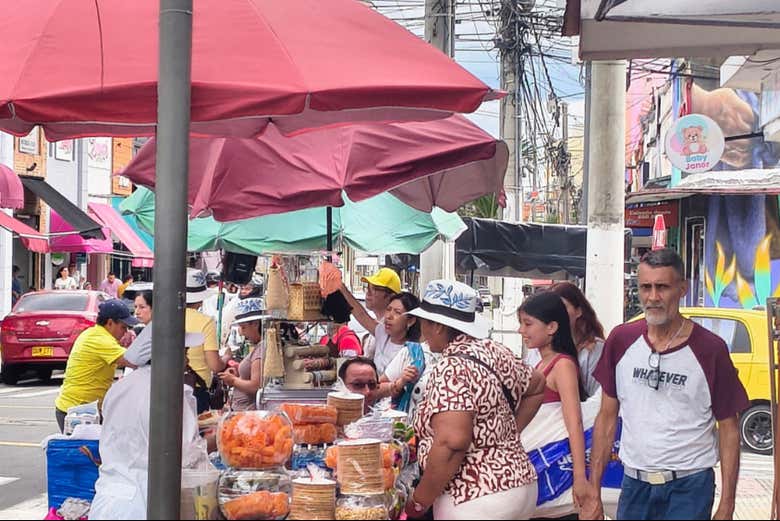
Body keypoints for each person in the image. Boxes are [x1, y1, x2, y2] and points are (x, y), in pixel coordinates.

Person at [582, 249, 750, 521]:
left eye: (662, 287)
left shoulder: (710, 349)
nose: (653, 297)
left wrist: (727, 505)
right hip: (635, 485)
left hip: (690, 487)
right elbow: (606, 417)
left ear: (682, 289)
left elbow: (729, 429)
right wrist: (593, 492)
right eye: (645, 287)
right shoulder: (621, 340)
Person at [404, 280, 546, 520]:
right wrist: (507, 434)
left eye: (423, 324)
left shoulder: (451, 368)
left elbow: (452, 442)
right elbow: (538, 384)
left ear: (437, 327)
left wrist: (419, 501)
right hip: (519, 484)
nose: (422, 333)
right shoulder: (494, 350)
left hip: (474, 495)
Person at [88, 323, 204, 520]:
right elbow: (184, 456)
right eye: (184, 352)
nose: (186, 359)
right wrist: (211, 441)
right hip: (145, 504)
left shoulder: (119, 388)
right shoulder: (171, 392)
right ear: (169, 355)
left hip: (106, 501)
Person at [518, 291, 589, 515]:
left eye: (528, 324)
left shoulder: (562, 366)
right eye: (521, 324)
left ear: (552, 327)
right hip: (542, 467)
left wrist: (580, 477)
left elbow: (574, 423)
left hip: (557, 471)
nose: (522, 331)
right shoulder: (542, 364)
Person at [54, 300, 140, 432]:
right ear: (110, 323)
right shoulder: (100, 340)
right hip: (77, 412)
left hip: (85, 409)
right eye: (123, 327)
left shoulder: (95, 334)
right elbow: (132, 360)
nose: (125, 332)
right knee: (88, 452)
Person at [333, 266, 406, 374]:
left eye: (375, 289)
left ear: (391, 296)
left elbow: (361, 315)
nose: (368, 293)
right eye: (368, 288)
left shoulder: (403, 342)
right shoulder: (380, 330)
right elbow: (361, 315)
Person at [549, 282, 606, 398]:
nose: (556, 313)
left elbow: (597, 398)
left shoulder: (594, 349)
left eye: (562, 307)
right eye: (551, 308)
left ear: (578, 311)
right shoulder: (540, 347)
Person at [184, 268, 225, 413]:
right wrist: (225, 359)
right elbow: (215, 365)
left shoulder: (166, 318)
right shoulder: (206, 322)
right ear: (200, 299)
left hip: (167, 388)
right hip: (196, 390)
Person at [218, 298, 267, 411]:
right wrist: (237, 373)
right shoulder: (260, 347)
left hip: (247, 411)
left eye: (243, 327)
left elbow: (255, 386)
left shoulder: (261, 349)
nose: (241, 332)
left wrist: (233, 381)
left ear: (255, 324)